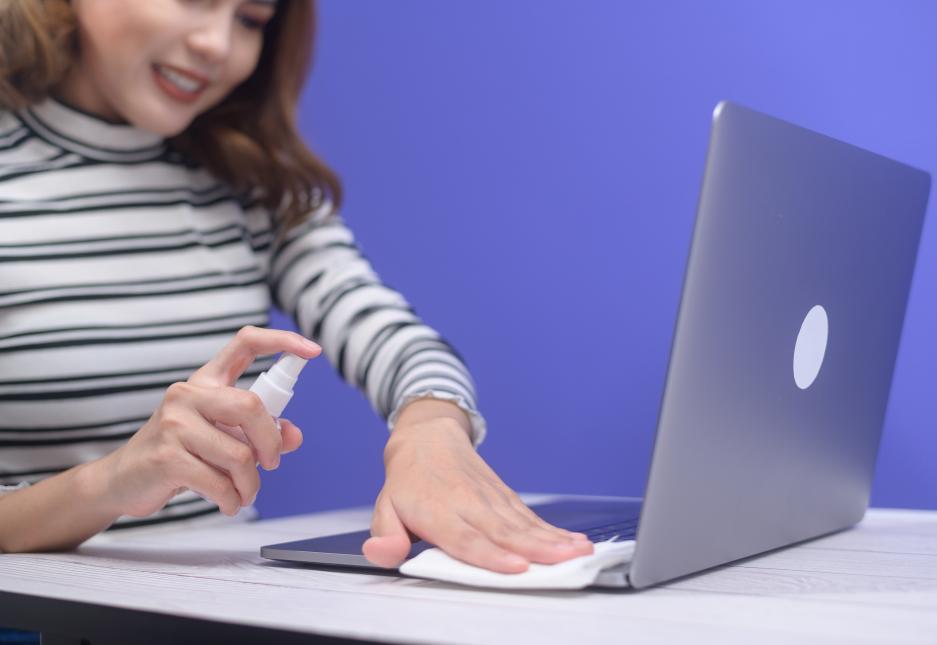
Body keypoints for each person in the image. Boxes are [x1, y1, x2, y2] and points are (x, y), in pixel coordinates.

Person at [0, 0, 594, 577]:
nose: (217, 44)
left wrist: (430, 431)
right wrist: (111, 483)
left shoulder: (251, 187)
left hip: (210, 605)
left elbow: (381, 327)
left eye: (251, 19)